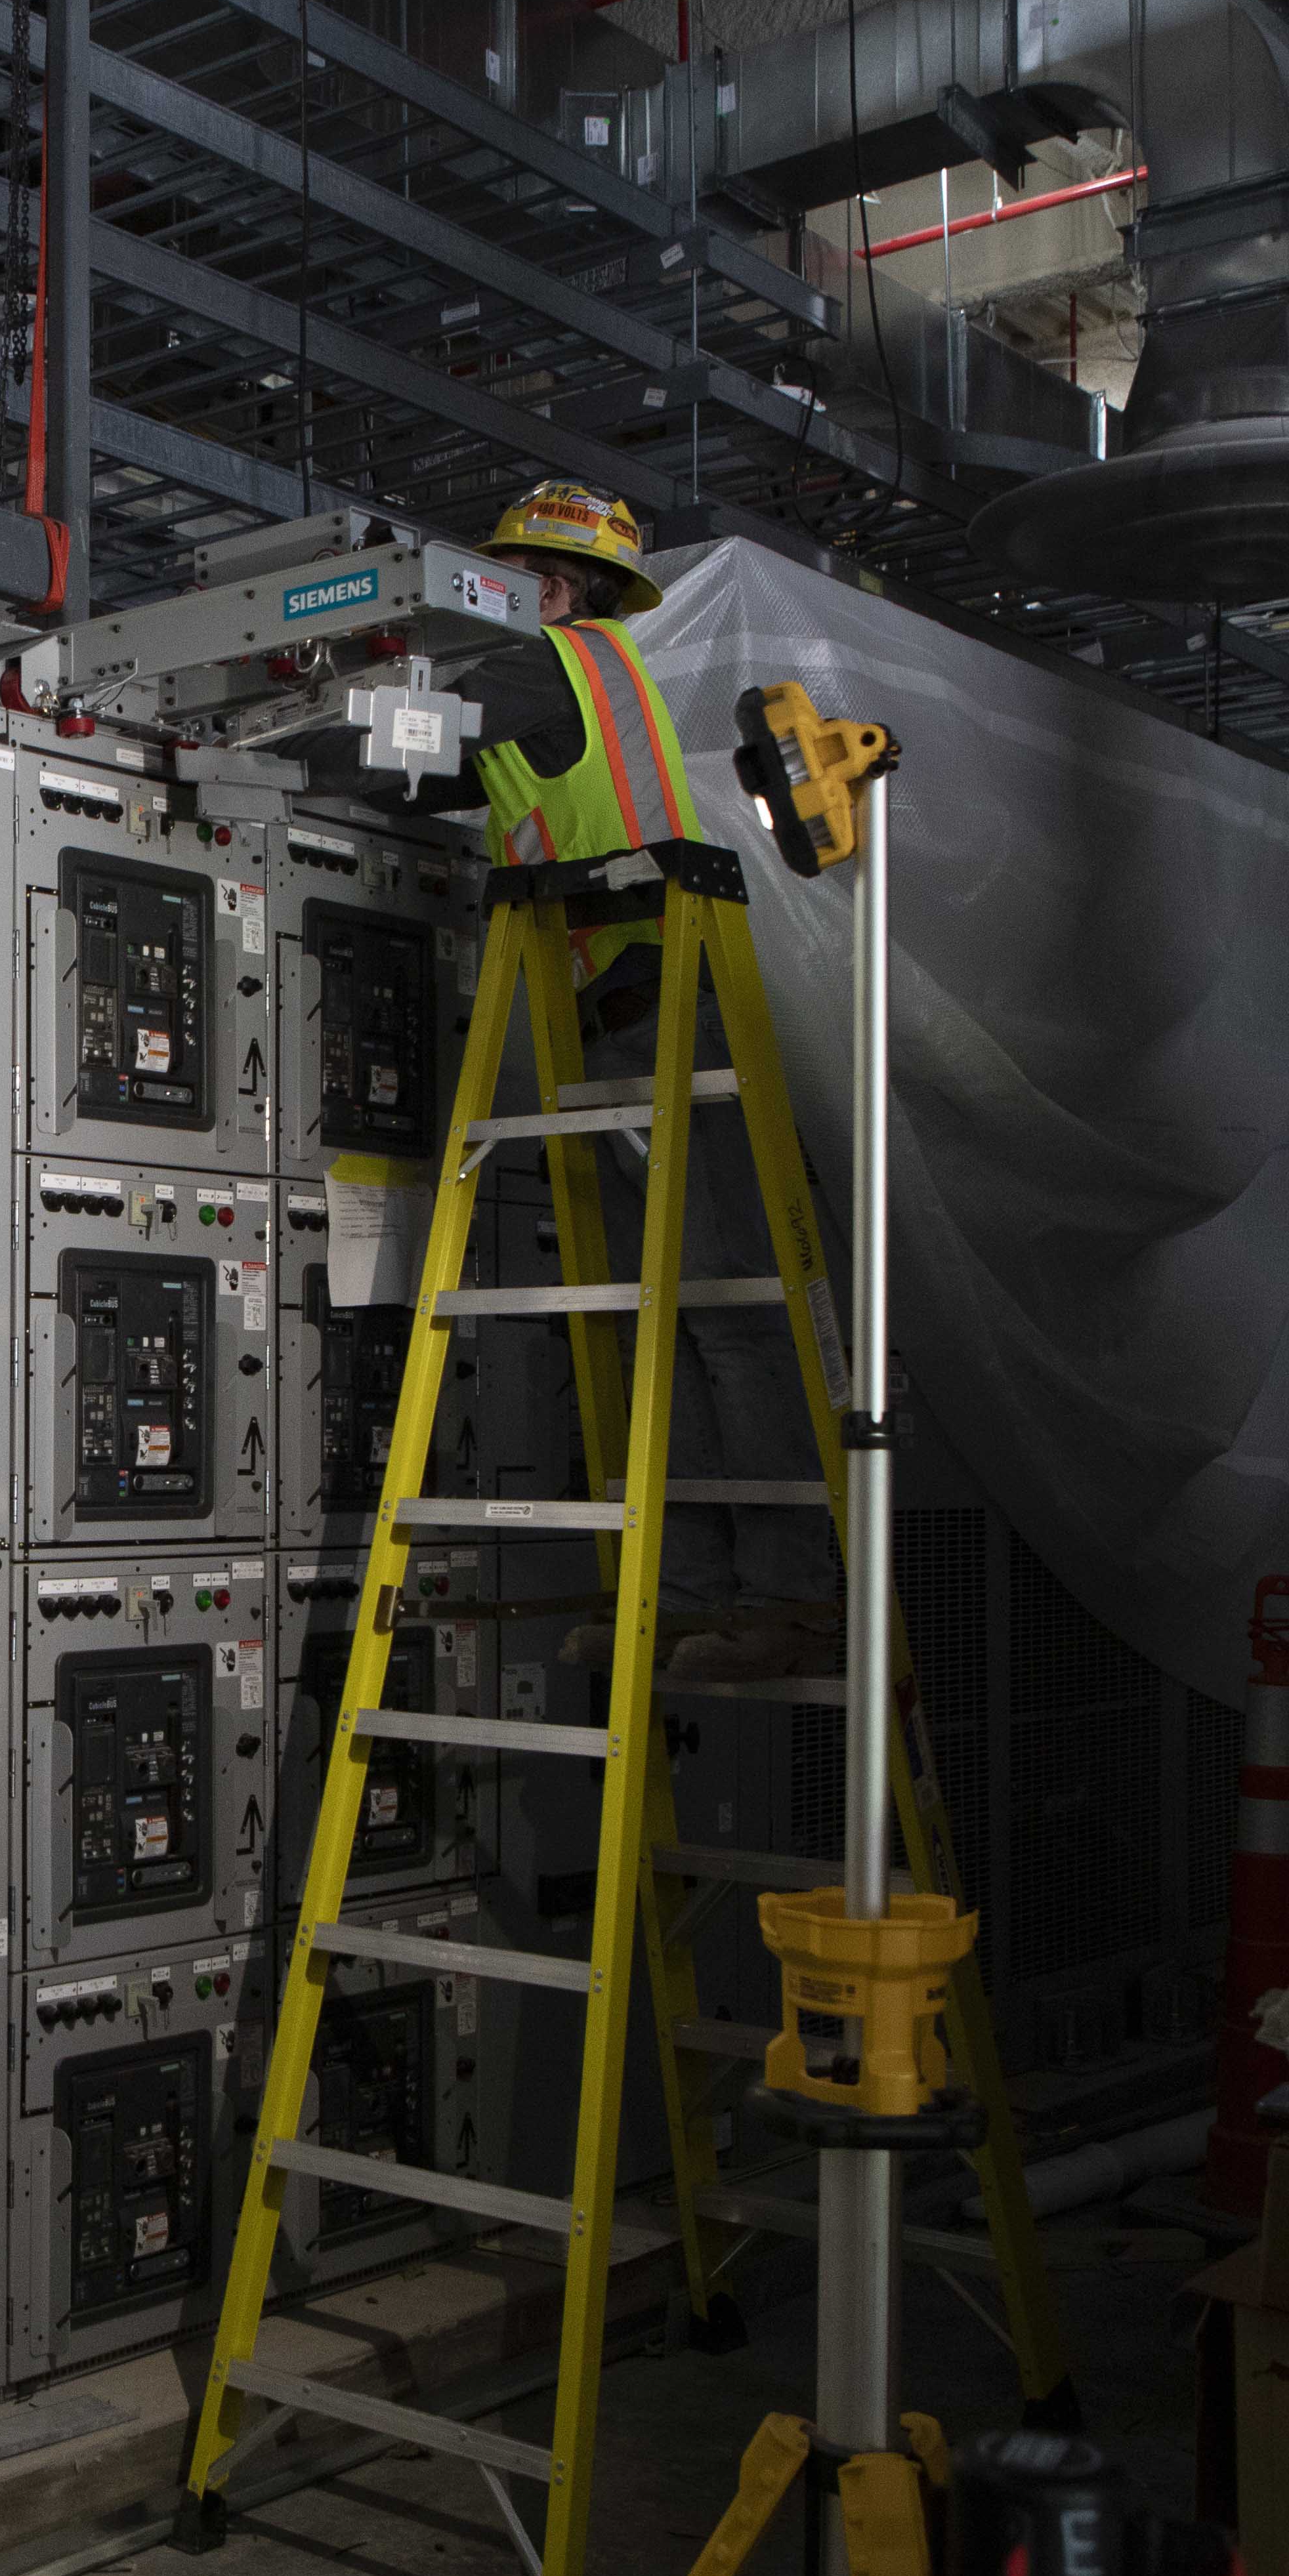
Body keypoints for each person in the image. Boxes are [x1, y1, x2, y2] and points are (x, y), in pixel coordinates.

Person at [454, 483, 842, 1685]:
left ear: (563, 591)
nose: (515, 598)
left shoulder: (551, 668)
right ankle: (684, 1601)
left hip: (667, 1011)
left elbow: (382, 727)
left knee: (728, 1320)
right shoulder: (566, 687)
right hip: (621, 1030)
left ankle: (794, 1599)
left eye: (529, 578)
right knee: (661, 1328)